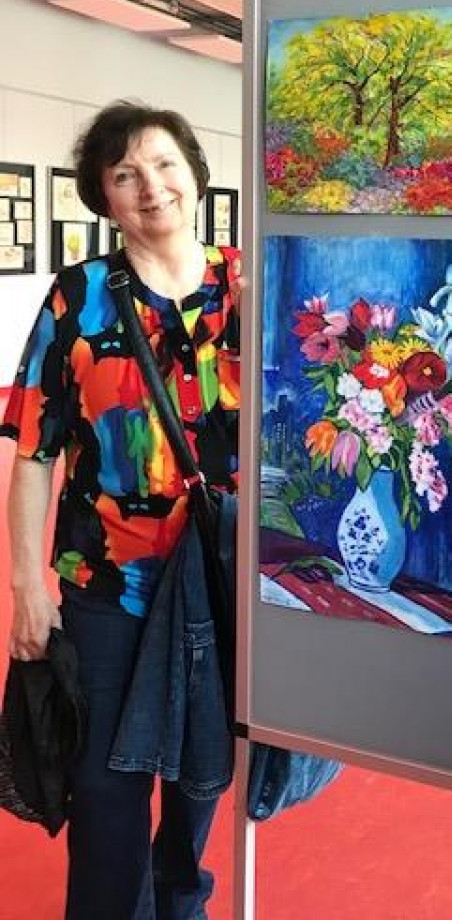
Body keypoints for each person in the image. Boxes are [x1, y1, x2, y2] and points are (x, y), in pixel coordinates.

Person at [2, 101, 242, 920]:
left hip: (220, 579)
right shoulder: (79, 299)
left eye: (165, 164)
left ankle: (181, 902)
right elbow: (34, 452)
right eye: (125, 174)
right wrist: (26, 587)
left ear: (195, 175)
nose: (151, 186)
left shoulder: (252, 283)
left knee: (202, 774)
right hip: (110, 583)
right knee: (106, 788)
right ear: (103, 197)